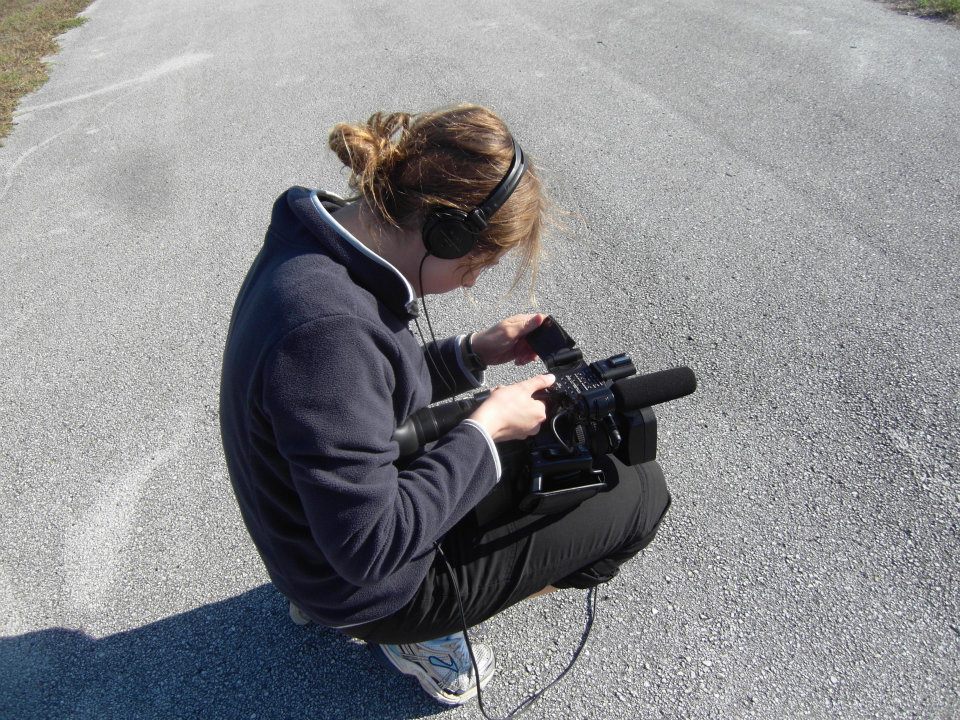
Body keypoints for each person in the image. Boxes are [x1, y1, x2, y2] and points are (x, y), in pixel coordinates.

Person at [219, 104, 671, 706]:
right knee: (640, 494)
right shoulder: (328, 332)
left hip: (309, 525)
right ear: (444, 232)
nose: (473, 282)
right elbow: (368, 547)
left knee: (517, 439)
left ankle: (355, 599)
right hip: (360, 579)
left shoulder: (320, 246)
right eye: (478, 262)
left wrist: (472, 352)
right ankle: (415, 633)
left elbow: (367, 393)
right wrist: (487, 430)